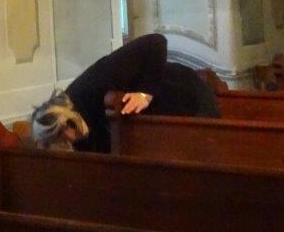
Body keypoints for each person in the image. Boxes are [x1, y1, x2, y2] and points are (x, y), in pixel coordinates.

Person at [30, 33, 220, 152]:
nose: (66, 143)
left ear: (65, 123)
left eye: (61, 138)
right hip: (163, 117)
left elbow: (156, 42)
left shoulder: (96, 81)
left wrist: (145, 94)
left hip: (186, 93)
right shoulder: (75, 117)